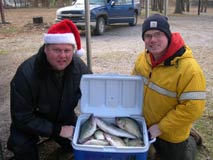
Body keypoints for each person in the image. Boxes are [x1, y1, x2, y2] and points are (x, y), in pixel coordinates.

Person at [7, 19, 92, 160]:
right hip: (31, 120)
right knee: (22, 147)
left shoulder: (78, 66)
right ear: (46, 49)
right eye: (57, 50)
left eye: (67, 50)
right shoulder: (26, 73)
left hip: (63, 116)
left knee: (81, 142)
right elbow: (21, 117)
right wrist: (57, 130)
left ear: (73, 50)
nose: (63, 56)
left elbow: (93, 91)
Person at [132, 14, 206, 160]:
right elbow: (133, 85)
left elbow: (193, 109)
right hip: (144, 124)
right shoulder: (143, 58)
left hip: (170, 132)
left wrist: (160, 128)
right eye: (148, 35)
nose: (153, 40)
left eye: (158, 34)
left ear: (168, 35)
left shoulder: (190, 70)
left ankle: (191, 138)